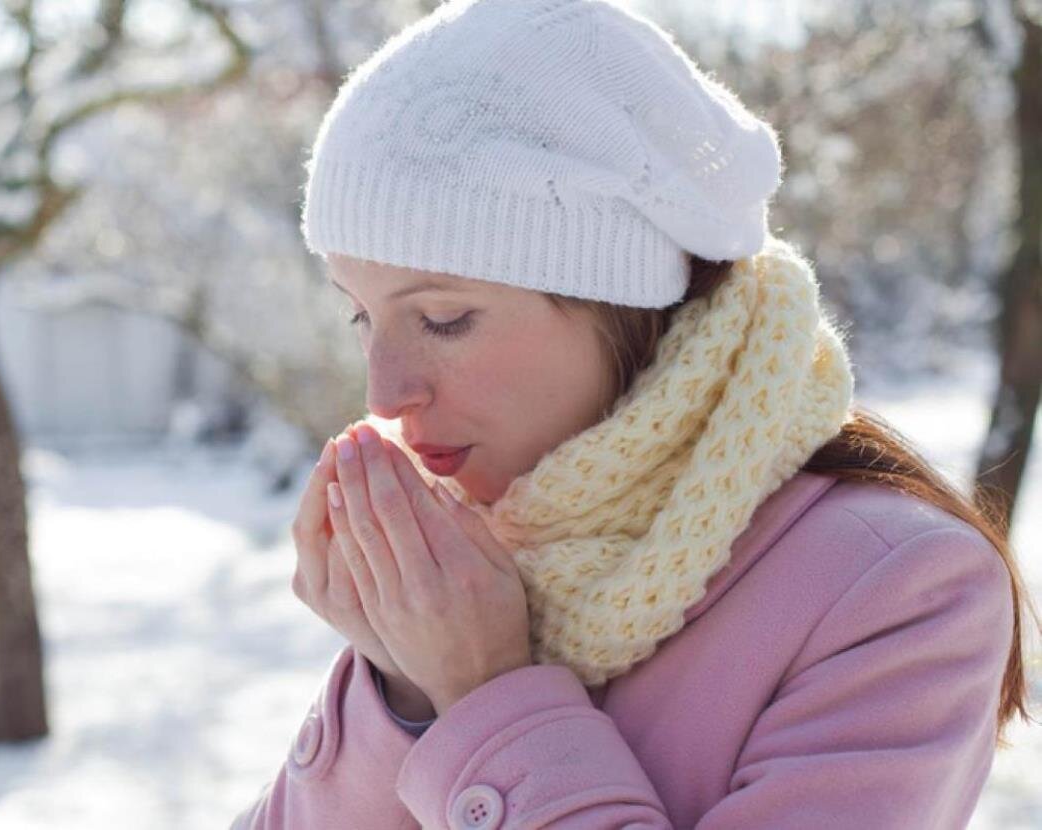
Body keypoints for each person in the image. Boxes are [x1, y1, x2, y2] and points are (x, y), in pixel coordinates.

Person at [232, 1, 1039, 827]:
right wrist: (402, 688)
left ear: (621, 301)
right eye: (362, 316)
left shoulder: (896, 590)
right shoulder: (485, 561)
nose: (384, 393)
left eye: (444, 319)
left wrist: (484, 693)